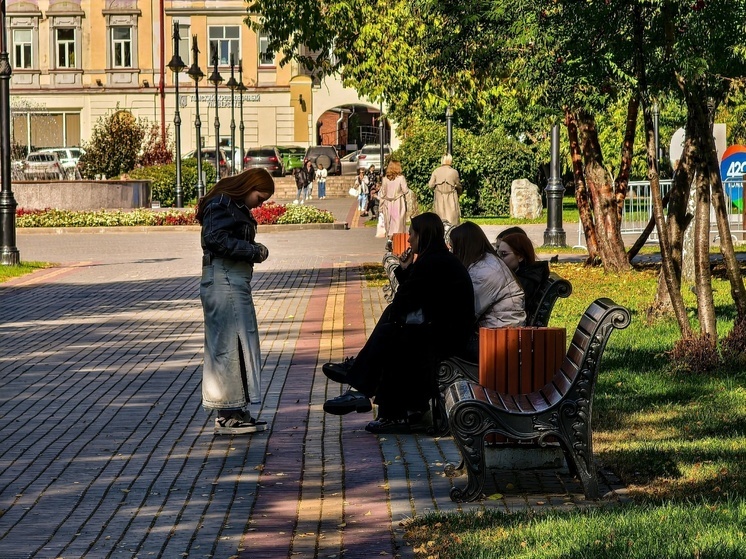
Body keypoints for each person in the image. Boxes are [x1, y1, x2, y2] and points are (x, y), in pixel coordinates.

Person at [321, 213, 474, 434]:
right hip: (443, 329)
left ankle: (366, 390)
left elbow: (405, 300)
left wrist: (405, 272)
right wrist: (406, 269)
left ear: (424, 235)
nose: (409, 240)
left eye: (412, 234)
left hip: (448, 336)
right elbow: (412, 297)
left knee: (392, 335)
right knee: (393, 329)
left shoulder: (433, 262)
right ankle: (364, 389)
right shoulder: (436, 258)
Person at [196, 168, 275, 435]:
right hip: (224, 278)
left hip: (232, 279)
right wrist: (253, 250)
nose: (260, 204)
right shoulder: (222, 203)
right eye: (260, 197)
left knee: (239, 344)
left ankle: (235, 408)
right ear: (249, 186)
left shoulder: (230, 203)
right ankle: (227, 413)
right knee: (228, 345)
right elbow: (214, 238)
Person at [449, 222, 526, 361]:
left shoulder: (485, 272)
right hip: (498, 335)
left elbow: (466, 312)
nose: (452, 252)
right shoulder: (484, 263)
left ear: (463, 246)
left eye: (453, 247)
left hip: (500, 342)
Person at [497, 232, 550, 313]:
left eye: (504, 254)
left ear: (520, 256)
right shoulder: (527, 275)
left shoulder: (523, 282)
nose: (499, 259)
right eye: (498, 254)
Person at [428, 154, 463, 225]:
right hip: (451, 198)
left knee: (439, 219)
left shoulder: (436, 171)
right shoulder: (454, 172)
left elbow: (430, 185)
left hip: (439, 198)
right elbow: (459, 186)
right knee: (452, 220)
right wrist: (459, 192)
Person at [379, 160, 409, 239]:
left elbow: (382, 194)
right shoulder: (401, 178)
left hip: (388, 203)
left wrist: (380, 207)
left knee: (389, 223)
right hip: (398, 203)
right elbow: (406, 190)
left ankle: (390, 240)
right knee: (398, 224)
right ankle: (397, 242)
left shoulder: (385, 179)